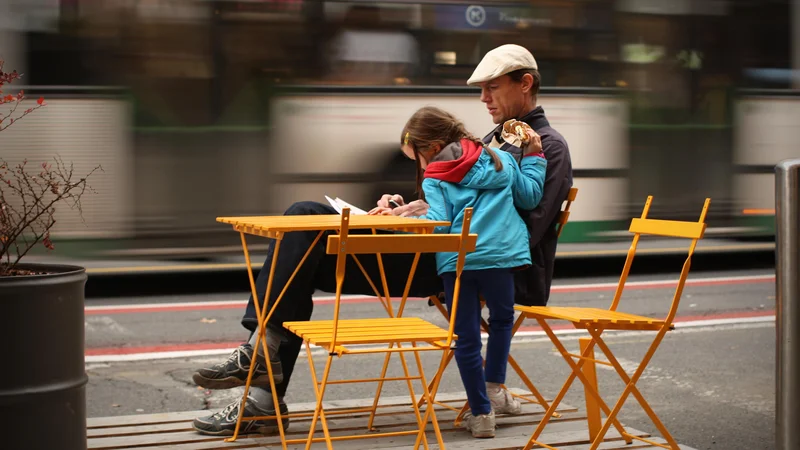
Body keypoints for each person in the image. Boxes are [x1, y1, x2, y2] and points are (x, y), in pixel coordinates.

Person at [191, 43, 573, 436]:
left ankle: (260, 381)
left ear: (525, 83)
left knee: (304, 222)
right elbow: (466, 203)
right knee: (303, 236)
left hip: (468, 267)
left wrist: (425, 222)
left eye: (492, 87)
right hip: (443, 250)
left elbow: (525, 231)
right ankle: (262, 379)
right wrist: (411, 210)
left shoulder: (545, 147)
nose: (483, 97)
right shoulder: (498, 141)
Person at [399, 106, 546, 438]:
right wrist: (535, 157)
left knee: (464, 337)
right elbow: (530, 196)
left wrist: (401, 222)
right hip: (501, 257)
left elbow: (440, 227)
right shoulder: (501, 160)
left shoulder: (436, 175)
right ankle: (495, 387)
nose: (419, 164)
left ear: (433, 147)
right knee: (502, 321)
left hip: (459, 263)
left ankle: (481, 416)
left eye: (417, 156)